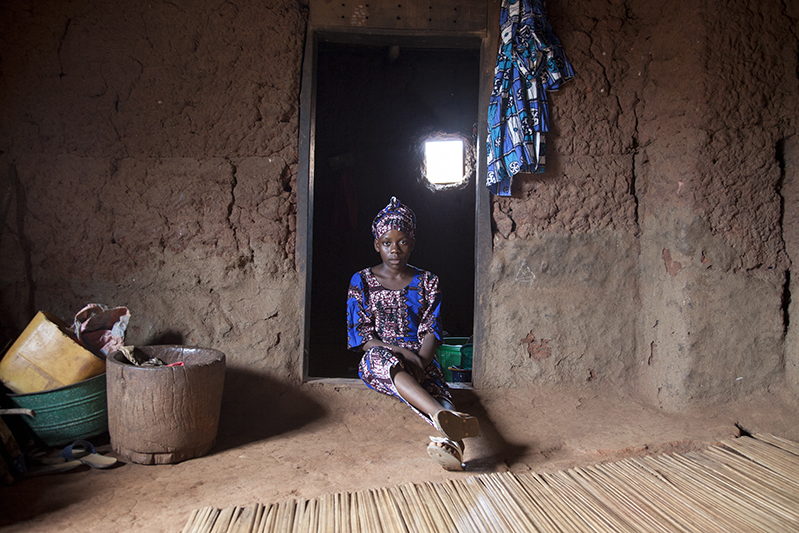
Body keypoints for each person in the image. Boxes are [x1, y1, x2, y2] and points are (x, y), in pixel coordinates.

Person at [347, 196, 480, 471]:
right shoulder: (361, 281)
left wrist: (422, 361)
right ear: (377, 245)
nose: (394, 250)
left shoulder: (428, 281)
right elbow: (362, 336)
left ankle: (453, 443)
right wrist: (406, 354)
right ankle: (440, 414)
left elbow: (432, 328)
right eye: (386, 243)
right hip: (382, 356)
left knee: (437, 387)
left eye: (402, 241)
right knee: (378, 360)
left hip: (422, 359)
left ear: (412, 244)